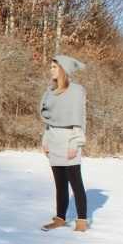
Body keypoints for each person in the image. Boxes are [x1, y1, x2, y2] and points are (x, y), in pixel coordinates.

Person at [39, 55, 90, 232]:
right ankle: (60, 218)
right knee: (59, 184)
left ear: (63, 69)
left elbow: (79, 120)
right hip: (53, 141)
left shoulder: (76, 91)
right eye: (51, 66)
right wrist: (45, 142)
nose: (51, 69)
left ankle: (82, 221)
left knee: (76, 184)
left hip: (68, 141)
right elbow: (49, 121)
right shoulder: (50, 91)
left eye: (54, 66)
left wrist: (74, 144)